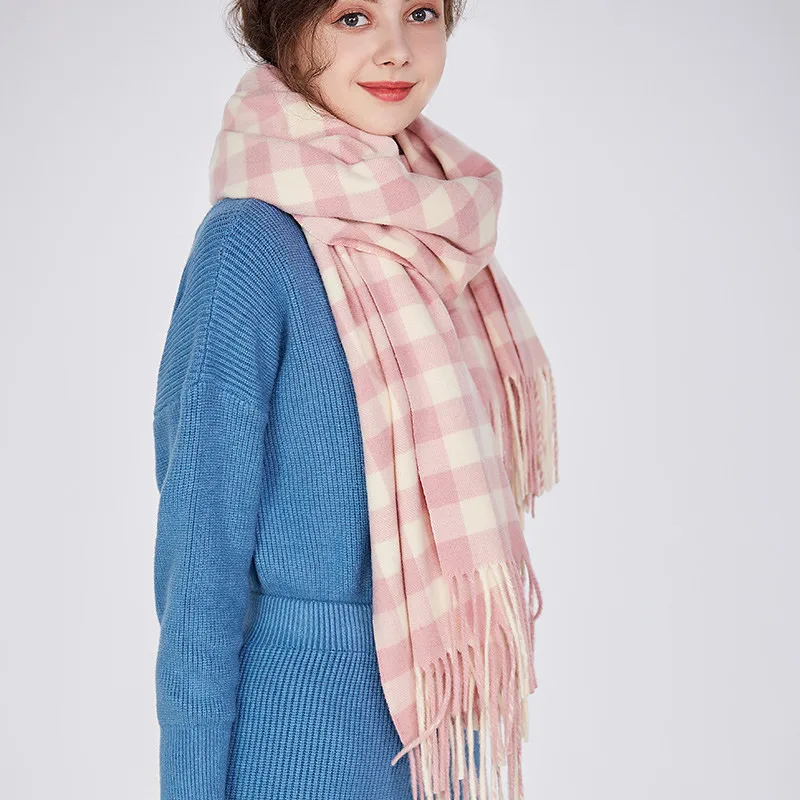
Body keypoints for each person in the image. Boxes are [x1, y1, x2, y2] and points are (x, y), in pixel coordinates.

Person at [151, 1, 559, 799]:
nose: (397, 50)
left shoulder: (434, 238)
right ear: (284, 27)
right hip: (293, 743)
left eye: (421, 12)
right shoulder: (248, 245)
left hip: (436, 734)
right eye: (353, 17)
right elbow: (199, 571)